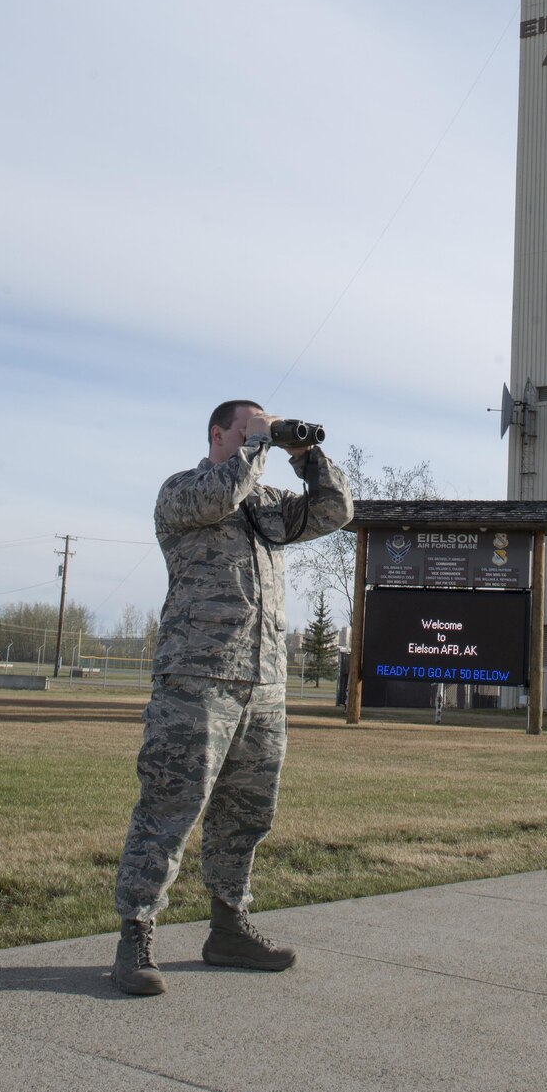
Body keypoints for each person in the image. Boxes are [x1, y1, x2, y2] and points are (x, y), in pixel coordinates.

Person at [111, 399, 353, 997]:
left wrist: (306, 454)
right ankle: (135, 935)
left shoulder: (268, 507)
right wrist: (257, 445)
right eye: (249, 430)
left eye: (264, 431)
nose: (261, 440)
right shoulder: (185, 491)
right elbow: (224, 492)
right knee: (169, 808)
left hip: (264, 686)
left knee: (248, 812)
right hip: (196, 682)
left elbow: (335, 512)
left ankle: (228, 927)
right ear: (220, 435)